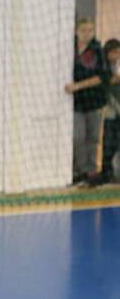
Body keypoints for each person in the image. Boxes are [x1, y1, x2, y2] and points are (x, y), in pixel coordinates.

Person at [66, 18, 109, 185]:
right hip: (77, 103)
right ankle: (79, 170)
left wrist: (78, 86)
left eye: (90, 30)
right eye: (84, 30)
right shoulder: (70, 48)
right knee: (77, 137)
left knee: (93, 137)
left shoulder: (97, 50)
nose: (87, 34)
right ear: (77, 31)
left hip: (95, 101)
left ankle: (91, 171)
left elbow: (101, 77)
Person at [88, 38, 120, 187]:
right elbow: (108, 80)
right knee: (108, 143)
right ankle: (106, 173)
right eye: (114, 52)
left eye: (118, 52)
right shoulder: (103, 67)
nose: (116, 55)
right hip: (110, 111)